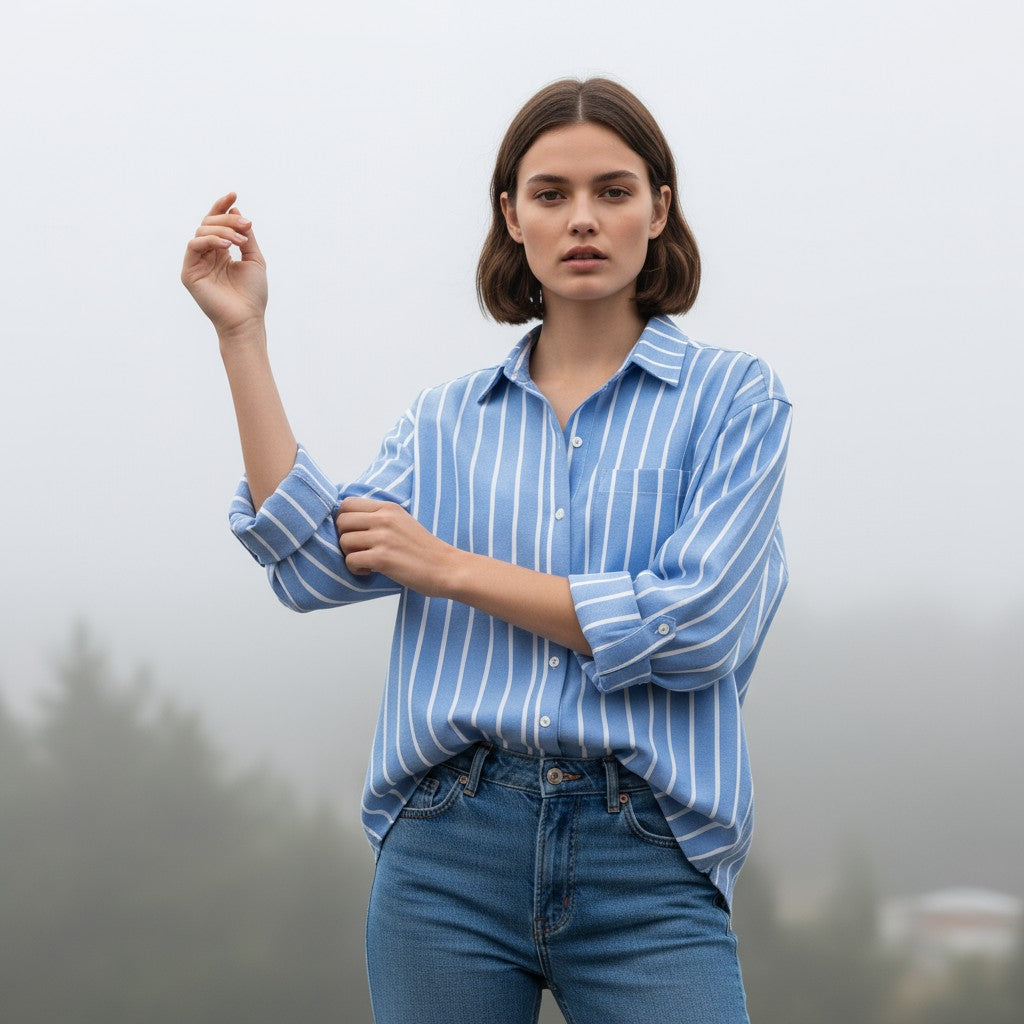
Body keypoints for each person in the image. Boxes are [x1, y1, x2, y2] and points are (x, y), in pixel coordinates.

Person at [182, 77, 791, 1024]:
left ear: (659, 209)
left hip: (648, 854)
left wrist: (449, 568)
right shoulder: (444, 422)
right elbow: (306, 565)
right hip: (446, 854)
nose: (581, 219)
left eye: (613, 191)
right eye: (550, 194)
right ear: (511, 216)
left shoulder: (735, 401)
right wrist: (243, 335)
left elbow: (695, 626)